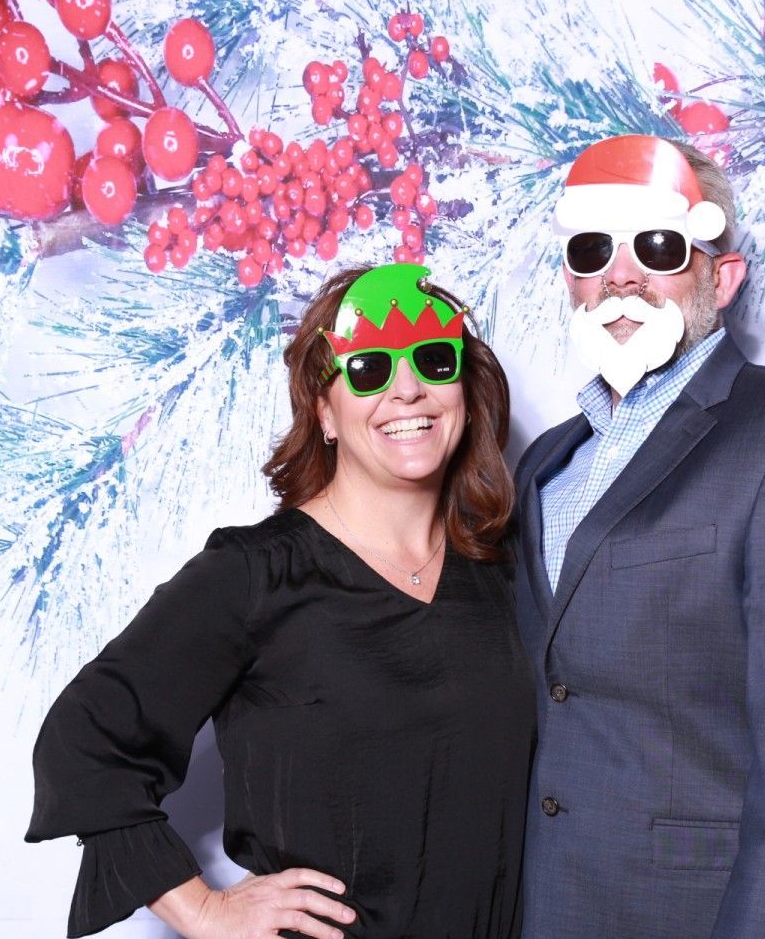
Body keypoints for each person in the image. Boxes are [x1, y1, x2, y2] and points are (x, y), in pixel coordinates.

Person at [27, 263, 534, 939]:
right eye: (369, 370)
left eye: (434, 361)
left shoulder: (502, 571)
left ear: (465, 394)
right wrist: (202, 909)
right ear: (324, 411)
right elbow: (84, 742)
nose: (407, 390)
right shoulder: (253, 575)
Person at [512, 135, 765, 939]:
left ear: (720, 278)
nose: (620, 275)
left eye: (656, 247)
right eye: (595, 250)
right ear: (571, 280)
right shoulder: (545, 464)